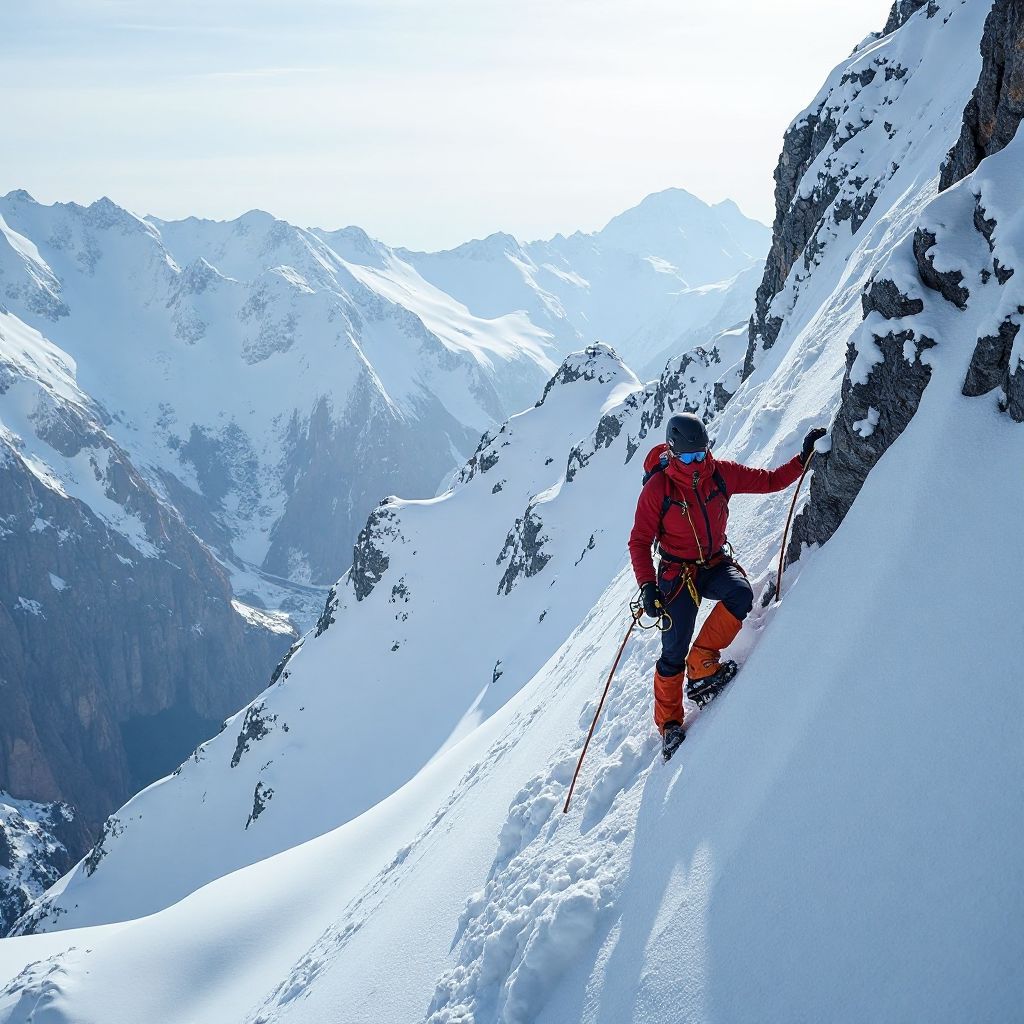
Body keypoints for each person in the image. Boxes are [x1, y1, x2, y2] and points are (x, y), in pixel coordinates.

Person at [629, 413, 826, 760]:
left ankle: (702, 664)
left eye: (701, 454)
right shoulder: (657, 490)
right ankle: (670, 724)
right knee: (673, 646)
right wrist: (647, 586)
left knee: (740, 594)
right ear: (673, 454)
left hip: (713, 562)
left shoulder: (718, 473)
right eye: (688, 457)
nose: (696, 463)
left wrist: (802, 458)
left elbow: (768, 481)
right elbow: (639, 541)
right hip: (677, 572)